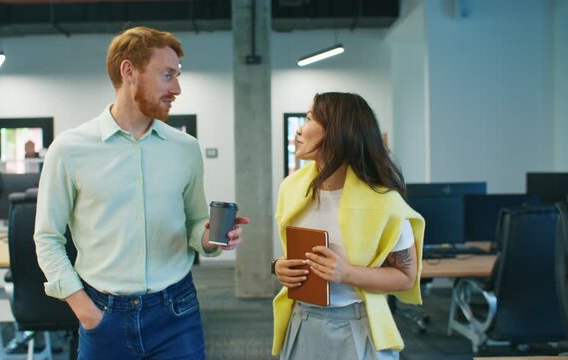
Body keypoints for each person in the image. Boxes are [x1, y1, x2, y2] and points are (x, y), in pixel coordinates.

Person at [34, 26, 249, 360]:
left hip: (176, 311)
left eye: (177, 76)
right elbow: (47, 238)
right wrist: (85, 310)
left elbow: (195, 222)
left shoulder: (185, 149)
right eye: (167, 75)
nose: (177, 88)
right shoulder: (69, 149)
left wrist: (209, 239)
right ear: (128, 71)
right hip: (103, 315)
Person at [271, 92, 425, 360]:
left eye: (308, 119)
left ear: (337, 132)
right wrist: (279, 267)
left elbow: (406, 276)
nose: (299, 130)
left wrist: (347, 273)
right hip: (302, 318)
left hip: (357, 323)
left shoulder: (384, 202)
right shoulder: (292, 189)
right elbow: (296, 254)